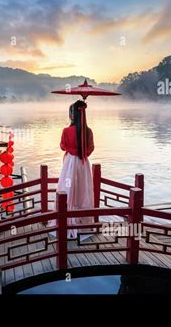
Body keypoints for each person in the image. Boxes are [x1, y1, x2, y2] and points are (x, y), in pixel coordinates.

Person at [54, 100, 95, 238]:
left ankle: (67, 220)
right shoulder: (88, 131)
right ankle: (81, 222)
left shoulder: (66, 131)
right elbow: (90, 150)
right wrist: (80, 151)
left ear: (72, 115)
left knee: (68, 189)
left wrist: (72, 150)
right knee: (83, 190)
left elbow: (62, 146)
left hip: (70, 163)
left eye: (70, 113)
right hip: (83, 164)